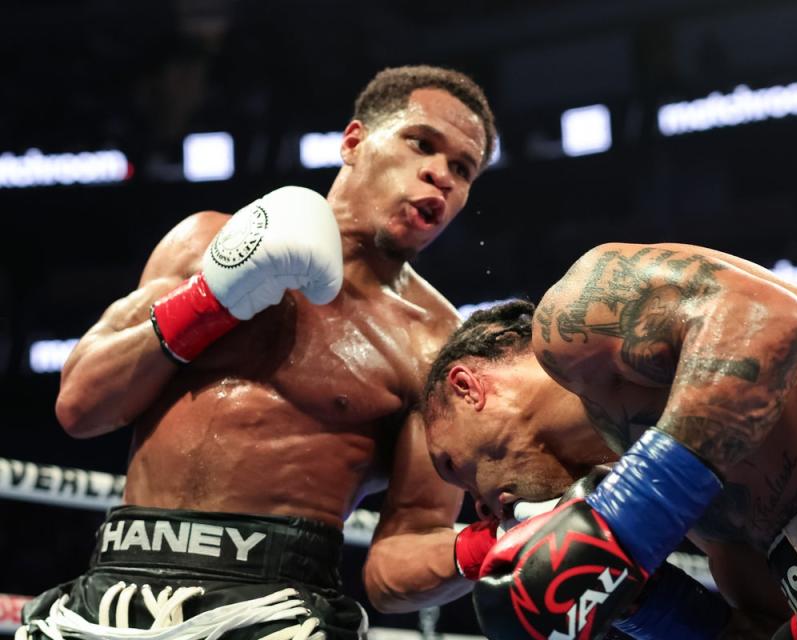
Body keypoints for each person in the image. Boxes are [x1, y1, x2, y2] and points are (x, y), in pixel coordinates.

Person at [17, 65, 499, 640]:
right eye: (422, 143)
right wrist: (211, 302)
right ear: (353, 141)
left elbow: (398, 561)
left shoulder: (435, 345)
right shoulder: (205, 240)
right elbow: (81, 406)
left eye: (462, 169)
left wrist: (493, 545)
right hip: (114, 594)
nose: (440, 174)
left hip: (275, 614)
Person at [421, 242, 797, 640]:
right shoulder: (702, 502)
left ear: (468, 388)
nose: (479, 508)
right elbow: (767, 627)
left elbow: (771, 322)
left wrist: (625, 519)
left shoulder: (570, 324)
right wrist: (640, 600)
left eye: (452, 465)